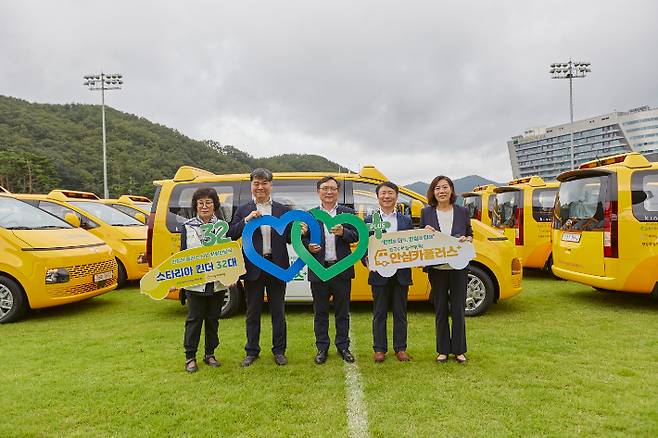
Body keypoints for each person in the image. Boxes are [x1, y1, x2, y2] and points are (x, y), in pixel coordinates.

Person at [228, 168, 292, 367]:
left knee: (278, 312)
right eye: (256, 183)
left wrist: (302, 230)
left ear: (271, 186)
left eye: (264, 183)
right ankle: (252, 351)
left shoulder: (282, 210)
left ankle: (279, 351)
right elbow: (231, 233)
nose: (260, 187)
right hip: (253, 268)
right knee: (252, 312)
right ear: (251, 186)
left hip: (277, 266)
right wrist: (246, 221)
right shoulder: (243, 209)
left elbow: (290, 236)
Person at [303, 176, 358, 364]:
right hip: (319, 270)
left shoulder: (348, 213)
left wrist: (344, 232)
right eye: (325, 188)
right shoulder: (309, 215)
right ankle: (322, 348)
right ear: (318, 191)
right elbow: (301, 240)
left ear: (338, 191)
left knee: (343, 311)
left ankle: (343, 346)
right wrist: (308, 245)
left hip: (341, 270)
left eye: (333, 188)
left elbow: (357, 236)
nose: (329, 192)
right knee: (320, 312)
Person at [420, 175, 473, 364]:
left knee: (458, 308)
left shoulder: (462, 211)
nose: (441, 191)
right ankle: (442, 350)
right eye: (437, 188)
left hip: (459, 267)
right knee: (440, 308)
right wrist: (425, 233)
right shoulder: (426, 212)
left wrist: (467, 239)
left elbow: (469, 234)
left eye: (444, 187)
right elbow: (422, 242)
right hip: (437, 268)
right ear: (433, 192)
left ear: (451, 190)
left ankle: (459, 350)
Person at [179, 187, 227, 373]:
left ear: (215, 205)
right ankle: (190, 356)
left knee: (213, 318)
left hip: (217, 281)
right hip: (195, 281)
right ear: (195, 206)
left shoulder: (222, 225)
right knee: (194, 319)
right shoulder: (188, 226)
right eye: (201, 203)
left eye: (209, 203)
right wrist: (181, 279)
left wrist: (230, 275)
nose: (205, 206)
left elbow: (227, 253)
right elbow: (182, 255)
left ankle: (210, 354)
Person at [364, 182, 413, 363]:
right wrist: (366, 260)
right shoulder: (370, 219)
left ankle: (400, 348)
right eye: (383, 193)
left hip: (401, 274)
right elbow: (364, 246)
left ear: (396, 196)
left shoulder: (406, 220)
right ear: (378, 197)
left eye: (390, 193)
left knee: (401, 313)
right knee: (379, 313)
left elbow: (412, 244)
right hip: (379, 274)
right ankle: (379, 349)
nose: (386, 196)